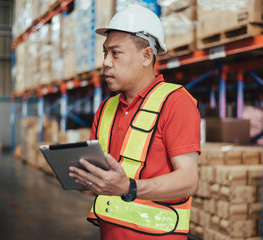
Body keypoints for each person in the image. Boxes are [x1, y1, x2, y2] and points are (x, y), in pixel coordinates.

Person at [68, 4, 201, 240]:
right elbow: (107, 175)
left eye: (115, 53)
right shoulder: (106, 109)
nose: (106, 62)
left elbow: (188, 180)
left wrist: (129, 187)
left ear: (146, 56)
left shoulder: (175, 103)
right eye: (105, 53)